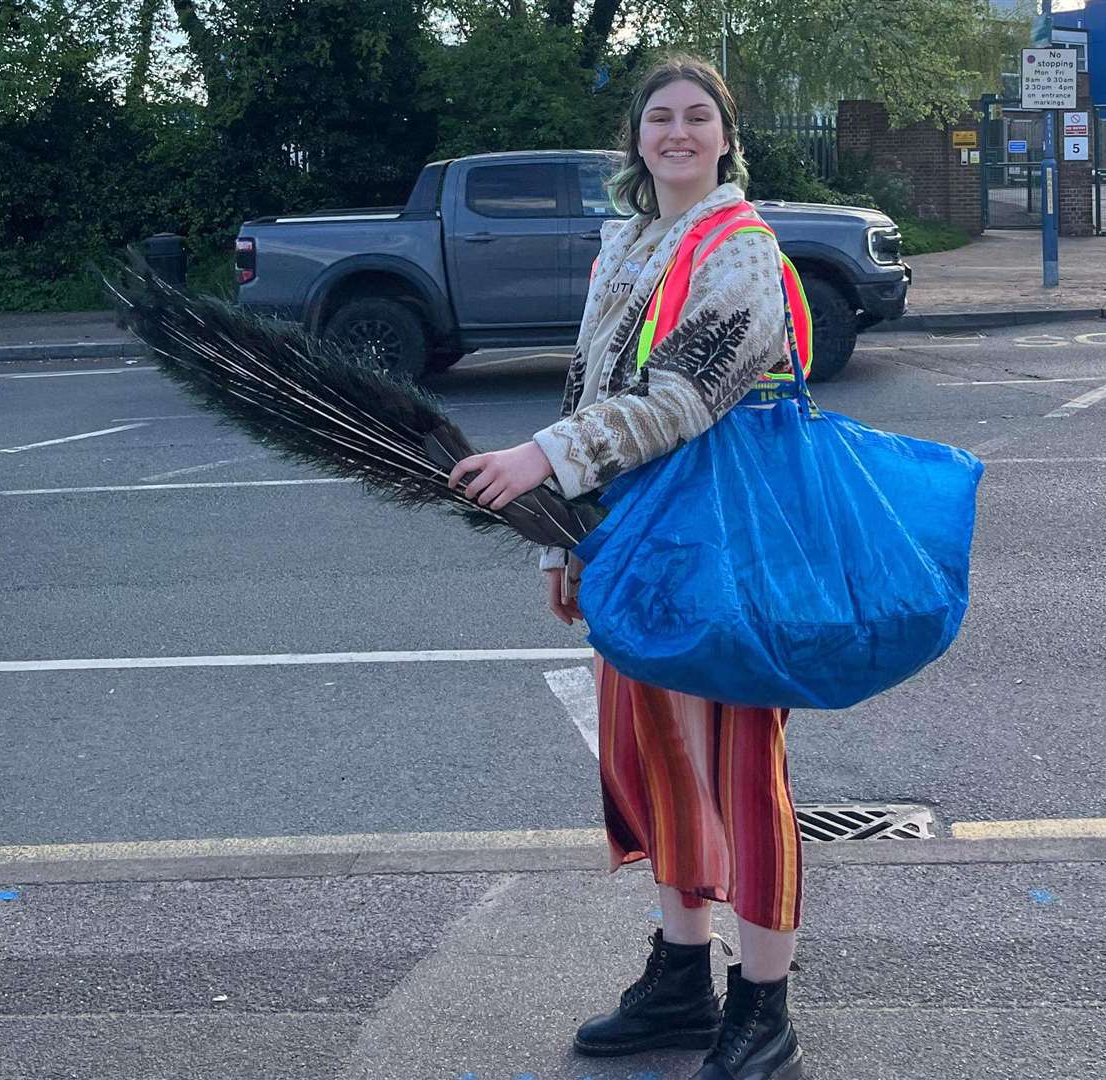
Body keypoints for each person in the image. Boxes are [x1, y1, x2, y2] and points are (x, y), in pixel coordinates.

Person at [449, 54, 806, 1080]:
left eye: (699, 116)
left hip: (722, 549)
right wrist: (569, 537)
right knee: (656, 765)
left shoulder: (739, 248)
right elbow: (587, 387)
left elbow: (683, 399)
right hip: (638, 542)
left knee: (739, 769)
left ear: (726, 138)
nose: (679, 132)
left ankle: (762, 1004)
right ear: (638, 141)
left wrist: (540, 463)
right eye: (661, 118)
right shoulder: (633, 247)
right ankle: (682, 983)